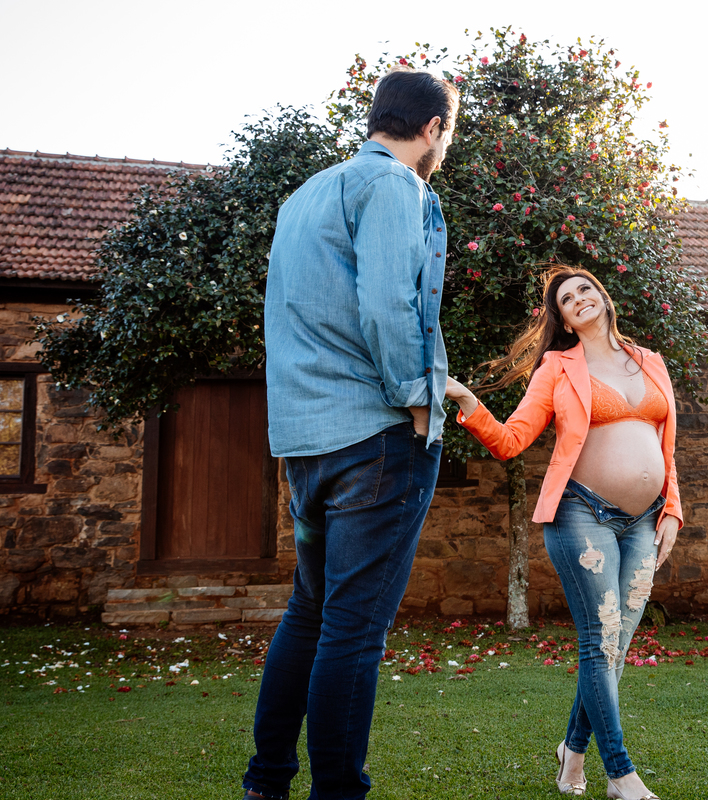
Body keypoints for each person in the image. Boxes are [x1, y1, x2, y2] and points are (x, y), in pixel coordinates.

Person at [242, 67, 458, 800]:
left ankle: (267, 781)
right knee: (354, 631)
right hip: (377, 437)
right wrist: (418, 400)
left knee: (309, 613)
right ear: (433, 128)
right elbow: (389, 306)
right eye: (446, 133)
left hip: (307, 442)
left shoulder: (305, 194)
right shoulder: (396, 187)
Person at [444, 267, 681, 800]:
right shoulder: (557, 367)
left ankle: (571, 755)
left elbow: (667, 447)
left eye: (585, 290)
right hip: (582, 516)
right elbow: (511, 441)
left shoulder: (650, 362)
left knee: (614, 649)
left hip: (646, 520)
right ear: (563, 318)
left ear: (602, 296)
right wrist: (466, 401)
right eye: (566, 299)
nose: (578, 300)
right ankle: (620, 774)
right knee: (601, 640)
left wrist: (673, 513)